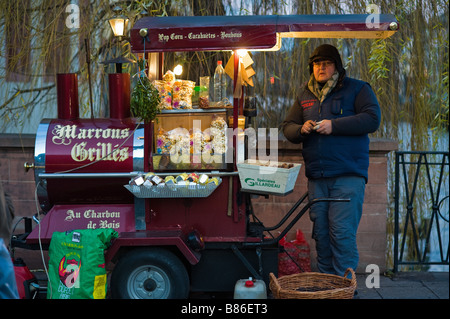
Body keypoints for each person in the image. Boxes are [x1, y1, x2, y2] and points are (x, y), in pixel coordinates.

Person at [282, 44, 381, 277]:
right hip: (318, 177)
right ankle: (326, 286)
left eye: (326, 63)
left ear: (336, 66)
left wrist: (333, 125)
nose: (321, 67)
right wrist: (301, 129)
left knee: (341, 233)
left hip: (347, 176)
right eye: (317, 64)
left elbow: (372, 119)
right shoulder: (304, 94)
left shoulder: (357, 89)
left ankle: (345, 288)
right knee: (322, 235)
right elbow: (287, 127)